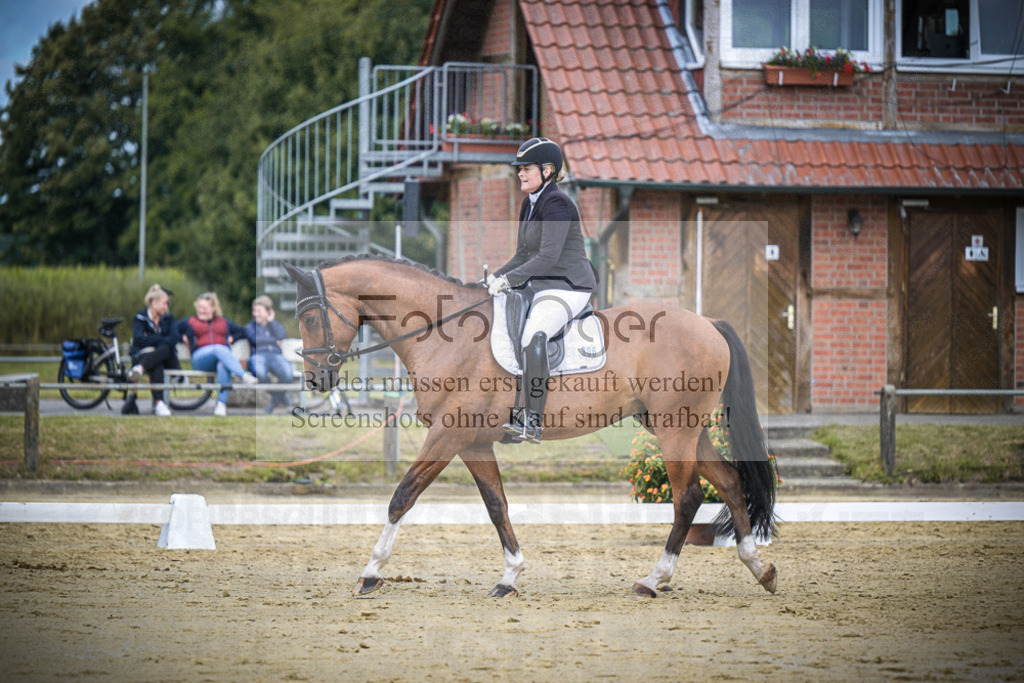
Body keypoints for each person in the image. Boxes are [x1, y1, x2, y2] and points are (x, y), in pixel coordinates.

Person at [486, 137, 597, 444]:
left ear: (547, 171)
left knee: (532, 334)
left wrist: (509, 281)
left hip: (570, 286)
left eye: (526, 168)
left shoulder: (557, 203)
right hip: (544, 285)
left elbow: (547, 256)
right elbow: (523, 255)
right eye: (519, 169)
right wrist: (495, 277)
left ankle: (531, 420)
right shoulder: (529, 202)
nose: (520, 173)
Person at [177, 292, 258, 416]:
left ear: (213, 308)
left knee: (223, 365)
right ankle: (243, 375)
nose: (201, 310)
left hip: (221, 359)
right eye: (199, 307)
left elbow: (243, 331)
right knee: (218, 348)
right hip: (200, 360)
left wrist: (233, 338)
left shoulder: (223, 322)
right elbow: (171, 332)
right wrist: (183, 338)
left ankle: (221, 405)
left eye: (204, 307)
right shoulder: (190, 321)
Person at [125, 284, 180, 416]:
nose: (166, 307)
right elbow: (138, 339)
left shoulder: (168, 318)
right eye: (165, 303)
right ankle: (159, 404)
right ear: (154, 304)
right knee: (157, 363)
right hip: (143, 355)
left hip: (164, 356)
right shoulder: (140, 318)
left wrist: (152, 339)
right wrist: (161, 340)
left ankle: (141, 368)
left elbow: (174, 338)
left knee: (165, 349)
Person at [246, 295, 295, 414]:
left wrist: (271, 322)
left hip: (276, 355)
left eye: (259, 311)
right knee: (261, 374)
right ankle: (283, 399)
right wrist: (274, 341)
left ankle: (272, 405)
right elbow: (254, 340)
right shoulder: (250, 326)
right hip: (259, 356)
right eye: (254, 310)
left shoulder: (275, 325)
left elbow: (282, 335)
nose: (255, 314)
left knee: (288, 375)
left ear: (268, 312)